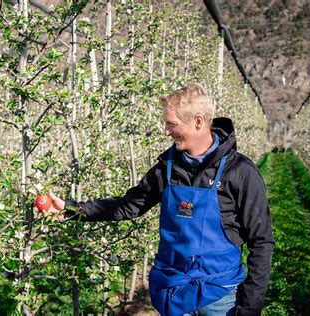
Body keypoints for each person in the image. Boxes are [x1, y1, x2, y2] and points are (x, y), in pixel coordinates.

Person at [48, 83, 274, 316]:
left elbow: (261, 241)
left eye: (172, 124)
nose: (166, 132)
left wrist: (249, 307)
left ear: (198, 122)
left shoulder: (239, 171)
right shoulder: (167, 169)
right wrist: (72, 209)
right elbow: (127, 206)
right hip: (174, 290)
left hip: (221, 295)